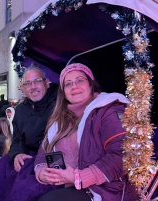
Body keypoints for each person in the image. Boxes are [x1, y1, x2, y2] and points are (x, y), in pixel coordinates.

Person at [35, 63, 137, 201]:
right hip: (66, 186)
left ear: (91, 84)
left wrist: (79, 177)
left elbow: (123, 156)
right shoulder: (59, 120)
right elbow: (44, 151)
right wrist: (42, 172)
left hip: (104, 190)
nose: (74, 86)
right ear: (63, 91)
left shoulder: (108, 110)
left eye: (80, 80)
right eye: (68, 84)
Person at [0, 64, 58, 201]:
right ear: (23, 88)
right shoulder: (21, 110)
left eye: (37, 81)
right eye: (28, 83)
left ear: (47, 83)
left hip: (53, 157)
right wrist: (17, 154)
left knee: (24, 191)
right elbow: (18, 139)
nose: (33, 86)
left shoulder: (60, 103)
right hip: (28, 156)